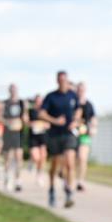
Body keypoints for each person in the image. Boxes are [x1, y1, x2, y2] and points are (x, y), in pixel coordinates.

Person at [39, 71, 80, 208]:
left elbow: (79, 110)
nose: (63, 82)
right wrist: (54, 120)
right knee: (55, 165)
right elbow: (42, 113)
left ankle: (69, 192)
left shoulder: (72, 95)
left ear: (67, 80)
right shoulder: (51, 96)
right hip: (55, 135)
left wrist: (75, 121)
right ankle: (51, 190)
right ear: (57, 81)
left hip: (69, 134)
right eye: (60, 80)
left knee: (70, 163)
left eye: (65, 80)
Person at [1, 84, 26, 192]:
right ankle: (7, 178)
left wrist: (23, 120)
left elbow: (25, 117)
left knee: (18, 157)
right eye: (12, 90)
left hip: (18, 133)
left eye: (15, 89)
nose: (13, 91)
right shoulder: (5, 103)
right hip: (8, 133)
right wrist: (8, 122)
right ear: (9, 91)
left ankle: (18, 180)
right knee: (8, 157)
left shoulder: (22, 103)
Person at [74, 81, 97, 192]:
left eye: (82, 90)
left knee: (83, 158)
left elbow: (93, 118)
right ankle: (68, 177)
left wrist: (94, 128)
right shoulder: (73, 102)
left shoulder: (89, 104)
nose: (81, 92)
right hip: (73, 134)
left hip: (85, 134)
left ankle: (80, 181)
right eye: (79, 90)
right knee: (73, 158)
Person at [27, 94, 48, 186]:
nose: (39, 103)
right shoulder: (31, 111)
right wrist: (33, 124)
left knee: (43, 157)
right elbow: (27, 122)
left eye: (40, 101)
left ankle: (39, 175)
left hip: (43, 136)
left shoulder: (45, 111)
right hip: (33, 137)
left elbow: (49, 123)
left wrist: (46, 125)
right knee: (37, 158)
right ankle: (32, 160)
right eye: (37, 101)